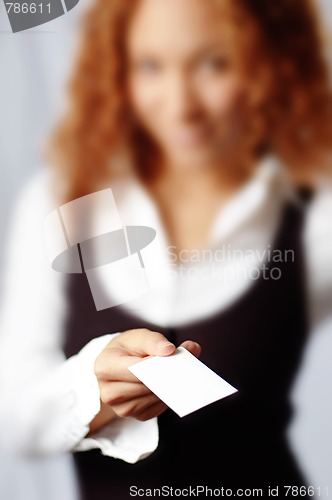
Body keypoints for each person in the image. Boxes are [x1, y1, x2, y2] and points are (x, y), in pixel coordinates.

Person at [0, 0, 331, 498]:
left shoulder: (313, 211)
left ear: (271, 62)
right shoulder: (61, 201)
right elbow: (12, 419)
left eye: (215, 63)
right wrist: (93, 385)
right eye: (149, 65)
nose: (181, 105)